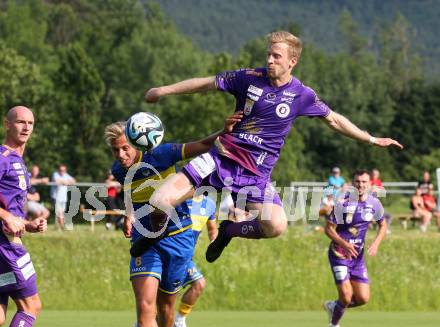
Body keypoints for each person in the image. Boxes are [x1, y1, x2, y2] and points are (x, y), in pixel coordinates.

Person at [135, 30, 403, 263]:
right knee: (159, 201)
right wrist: (163, 90)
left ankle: (229, 231)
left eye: (276, 56)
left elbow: (334, 120)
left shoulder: (302, 95)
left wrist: (370, 139)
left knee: (276, 226)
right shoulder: (248, 78)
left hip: (256, 174)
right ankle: (156, 232)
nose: (270, 60)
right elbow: (206, 83)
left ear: (292, 61)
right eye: (269, 54)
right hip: (220, 159)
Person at [104, 114, 237, 327]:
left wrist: (222, 131)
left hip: (179, 239)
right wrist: (129, 215)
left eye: (125, 148)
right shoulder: (119, 169)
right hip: (145, 239)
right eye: (116, 150)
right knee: (145, 307)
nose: (121, 154)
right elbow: (131, 193)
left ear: (138, 142)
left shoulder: (161, 154)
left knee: (166, 308)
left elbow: (201, 144)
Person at [0, 106, 47, 327]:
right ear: (7, 125)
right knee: (31, 305)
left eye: (30, 122)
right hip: (5, 246)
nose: (26, 127)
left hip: (6, 241)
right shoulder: (3, 157)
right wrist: (6, 216)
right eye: (20, 122)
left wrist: (28, 224)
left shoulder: (19, 161)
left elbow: (10, 208)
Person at [323, 170, 387, 327]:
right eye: (358, 182)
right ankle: (334, 326)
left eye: (364, 182)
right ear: (353, 183)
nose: (361, 185)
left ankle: (333, 306)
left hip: (357, 259)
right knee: (346, 296)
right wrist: (344, 244)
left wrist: (376, 243)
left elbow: (383, 225)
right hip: (339, 255)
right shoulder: (342, 204)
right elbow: (328, 229)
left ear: (370, 184)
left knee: (363, 298)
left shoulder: (374, 204)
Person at [174, 193, 218, 327]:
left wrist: (215, 245)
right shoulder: (178, 199)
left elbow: (212, 230)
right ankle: (148, 320)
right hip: (170, 251)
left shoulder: (209, 204)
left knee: (199, 284)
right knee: (166, 292)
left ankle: (179, 319)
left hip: (185, 256)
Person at [50, 164, 75, 229]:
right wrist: (66, 182)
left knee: (62, 213)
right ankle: (63, 227)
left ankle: (57, 226)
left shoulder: (66, 175)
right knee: (59, 212)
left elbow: (73, 181)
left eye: (63, 170)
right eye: (60, 170)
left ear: (65, 170)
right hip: (56, 197)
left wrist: (64, 182)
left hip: (63, 198)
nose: (62, 171)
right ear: (58, 170)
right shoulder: (55, 174)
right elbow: (57, 181)